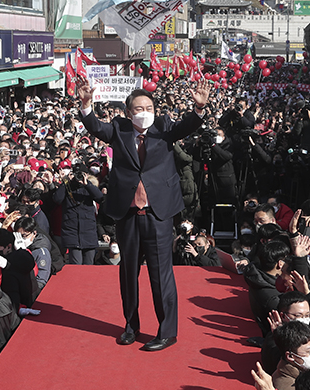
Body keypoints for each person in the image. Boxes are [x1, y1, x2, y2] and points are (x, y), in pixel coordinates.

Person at [76, 79, 210, 351]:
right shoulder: (119, 129)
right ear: (128, 112)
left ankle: (167, 331)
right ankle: (130, 326)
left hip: (158, 213)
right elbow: (95, 127)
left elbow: (188, 125)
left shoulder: (164, 127)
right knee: (128, 272)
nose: (144, 112)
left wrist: (199, 108)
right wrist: (87, 105)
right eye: (138, 108)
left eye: (149, 107)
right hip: (127, 213)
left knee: (161, 274)